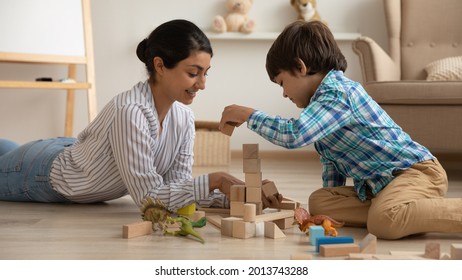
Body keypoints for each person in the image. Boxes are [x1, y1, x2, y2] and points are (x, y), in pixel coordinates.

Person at [219, 20, 462, 240]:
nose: (284, 93)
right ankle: (401, 209)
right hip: (381, 187)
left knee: (384, 222)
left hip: (415, 173)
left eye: (282, 82)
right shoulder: (319, 108)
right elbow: (332, 167)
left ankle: (403, 211)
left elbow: (295, 135)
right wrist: (322, 212)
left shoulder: (337, 93)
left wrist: (249, 115)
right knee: (319, 201)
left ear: (300, 67)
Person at [0, 19, 246, 212]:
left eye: (206, 73)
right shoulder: (131, 113)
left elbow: (177, 191)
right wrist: (216, 180)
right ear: (160, 66)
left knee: (8, 152)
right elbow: (150, 198)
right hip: (42, 174)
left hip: (68, 150)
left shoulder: (183, 118)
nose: (202, 84)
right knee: (11, 159)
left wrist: (237, 198)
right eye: (193, 73)